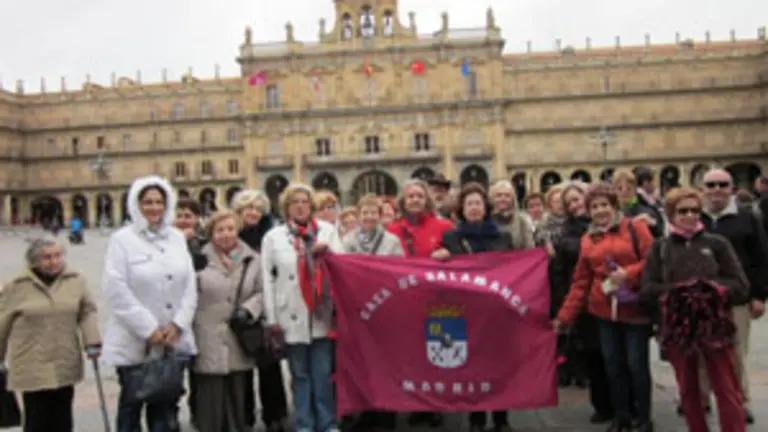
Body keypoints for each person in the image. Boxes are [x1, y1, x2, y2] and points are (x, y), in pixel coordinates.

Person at [641, 187, 748, 432]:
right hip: (679, 327)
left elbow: (740, 285)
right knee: (689, 389)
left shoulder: (717, 243)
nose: (690, 215)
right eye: (683, 211)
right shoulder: (660, 248)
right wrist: (679, 292)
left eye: (695, 211)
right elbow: (648, 288)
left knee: (726, 386)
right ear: (670, 215)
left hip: (715, 325)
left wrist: (709, 290)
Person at [554, 183, 655, 432]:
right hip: (603, 311)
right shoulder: (588, 240)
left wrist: (628, 274)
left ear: (614, 206)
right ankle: (620, 416)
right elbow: (581, 282)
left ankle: (642, 417)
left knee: (636, 365)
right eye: (595, 206)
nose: (600, 211)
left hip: (634, 309)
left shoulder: (636, 228)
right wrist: (564, 316)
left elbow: (653, 261)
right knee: (613, 365)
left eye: (604, 205)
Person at [102, 175, 198, 432]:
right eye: (147, 202)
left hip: (172, 339)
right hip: (135, 340)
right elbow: (116, 289)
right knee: (132, 405)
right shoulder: (122, 240)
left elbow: (190, 284)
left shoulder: (177, 237)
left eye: (159, 202)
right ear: (136, 205)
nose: (154, 208)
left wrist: (179, 324)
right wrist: (148, 329)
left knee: (166, 408)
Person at [432, 183, 514, 432]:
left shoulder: (503, 237)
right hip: (465, 312)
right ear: (462, 209)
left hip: (495, 312)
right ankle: (476, 419)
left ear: (485, 207)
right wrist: (439, 258)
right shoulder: (451, 238)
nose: (474, 208)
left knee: (499, 366)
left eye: (478, 203)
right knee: (472, 367)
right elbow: (438, 273)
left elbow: (514, 270)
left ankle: (501, 419)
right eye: (469, 204)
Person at [0, 235, 101, 432]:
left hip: (63, 357)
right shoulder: (16, 287)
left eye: (58, 256)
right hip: (30, 360)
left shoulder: (76, 281)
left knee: (62, 416)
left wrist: (92, 340)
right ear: (34, 260)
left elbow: (87, 311)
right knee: (37, 417)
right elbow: (2, 323)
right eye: (47, 257)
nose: (54, 261)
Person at [261, 183, 340, 432]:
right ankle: (305, 424)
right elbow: (267, 277)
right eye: (294, 201)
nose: (300, 205)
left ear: (312, 205)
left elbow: (343, 265)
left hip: (321, 312)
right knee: (300, 376)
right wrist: (272, 317)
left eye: (304, 201)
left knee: (323, 374)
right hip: (291, 312)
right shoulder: (273, 237)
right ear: (286, 207)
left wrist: (327, 255)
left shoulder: (327, 231)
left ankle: (327, 423)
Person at [698, 168, 768, 424]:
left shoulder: (747, 218)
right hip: (701, 298)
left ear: (732, 188)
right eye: (711, 184)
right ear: (703, 189)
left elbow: (761, 259)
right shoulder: (694, 216)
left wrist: (760, 295)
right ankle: (701, 399)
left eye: (722, 184)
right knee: (701, 349)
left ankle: (740, 400)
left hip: (737, 298)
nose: (717, 189)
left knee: (736, 352)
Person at [387, 178, 453, 428]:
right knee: (411, 354)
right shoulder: (392, 230)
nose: (415, 200)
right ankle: (415, 403)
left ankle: (434, 404)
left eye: (419, 196)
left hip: (438, 301)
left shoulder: (444, 226)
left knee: (435, 352)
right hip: (405, 301)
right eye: (410, 196)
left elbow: (462, 258)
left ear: (426, 200)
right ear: (403, 201)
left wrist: (449, 253)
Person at [193, 210, 264, 432]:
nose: (226, 235)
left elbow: (262, 292)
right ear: (211, 234)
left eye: (230, 229)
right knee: (211, 399)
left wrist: (249, 310)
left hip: (238, 335)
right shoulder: (199, 260)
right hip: (208, 335)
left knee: (238, 393)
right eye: (220, 230)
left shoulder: (253, 259)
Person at [340, 194, 403, 430]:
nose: (368, 217)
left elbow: (400, 271)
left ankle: (387, 414)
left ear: (380, 215)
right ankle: (366, 412)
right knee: (362, 363)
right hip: (358, 310)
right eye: (364, 213)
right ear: (358, 215)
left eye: (373, 213)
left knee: (386, 364)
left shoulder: (392, 241)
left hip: (385, 308)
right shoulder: (348, 241)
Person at [231, 189, 288, 432]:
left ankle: (275, 415)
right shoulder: (230, 236)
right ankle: (243, 417)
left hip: (266, 307)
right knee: (241, 367)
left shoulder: (272, 236)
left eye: (257, 208)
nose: (252, 213)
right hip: (238, 309)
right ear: (239, 212)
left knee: (269, 366)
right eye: (247, 208)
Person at [613, 169, 665, 238]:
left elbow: (660, 234)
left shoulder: (647, 212)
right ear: (614, 190)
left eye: (629, 188)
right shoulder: (613, 213)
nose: (624, 191)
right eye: (620, 188)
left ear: (635, 189)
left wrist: (653, 224)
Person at [488, 180, 535, 250]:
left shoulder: (522, 221)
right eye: (499, 195)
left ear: (513, 199)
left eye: (507, 196)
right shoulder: (486, 220)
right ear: (492, 198)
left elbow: (530, 249)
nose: (503, 199)